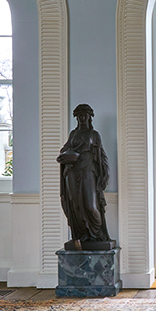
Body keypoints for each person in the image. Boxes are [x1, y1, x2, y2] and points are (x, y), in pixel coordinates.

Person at [57, 104, 110, 247]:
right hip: (73, 172)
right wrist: (64, 156)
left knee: (91, 206)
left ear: (90, 117)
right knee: (76, 206)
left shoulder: (94, 135)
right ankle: (82, 235)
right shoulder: (73, 134)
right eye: (79, 115)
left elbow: (102, 155)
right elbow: (64, 149)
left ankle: (98, 234)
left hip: (88, 172)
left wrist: (106, 173)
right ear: (76, 117)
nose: (82, 118)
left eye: (85, 115)